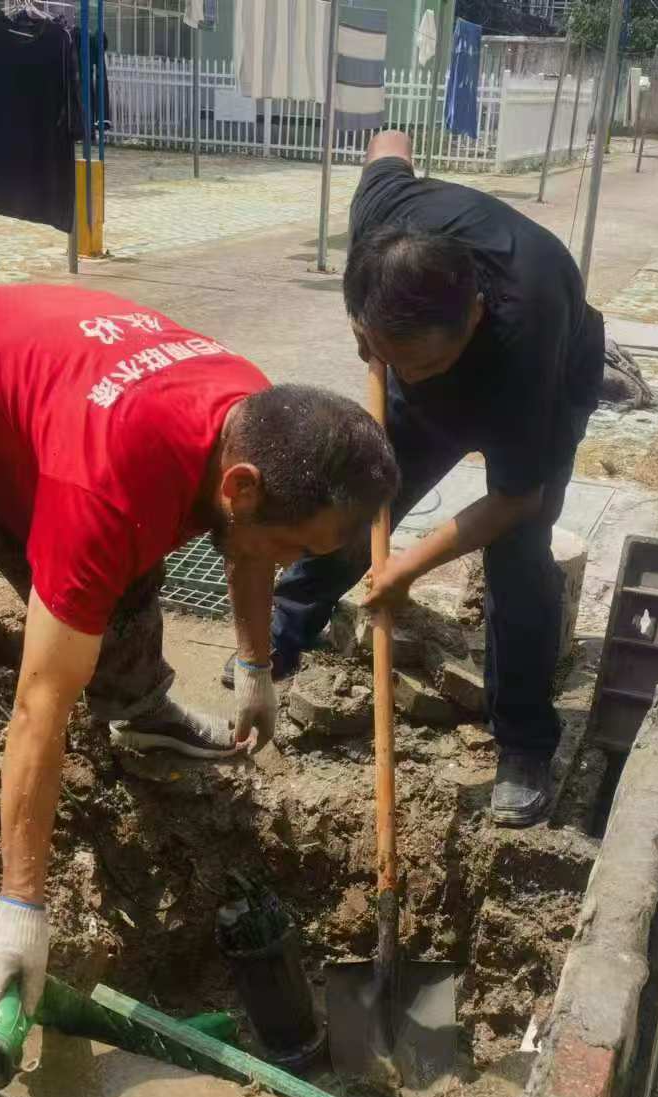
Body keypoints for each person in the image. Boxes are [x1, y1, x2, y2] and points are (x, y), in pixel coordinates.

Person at [0, 284, 399, 1069]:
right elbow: (38, 707)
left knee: (123, 561)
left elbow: (252, 542)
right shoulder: (108, 478)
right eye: (300, 547)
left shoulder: (253, 419)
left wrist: (255, 666)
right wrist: (23, 905)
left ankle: (138, 706)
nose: (295, 566)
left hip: (16, 417)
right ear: (243, 485)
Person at [230, 131, 605, 828]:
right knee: (353, 499)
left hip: (545, 380)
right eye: (383, 352)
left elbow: (515, 498)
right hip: (427, 353)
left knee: (519, 557)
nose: (403, 372)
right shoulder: (385, 215)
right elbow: (386, 143)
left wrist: (406, 567)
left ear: (472, 314)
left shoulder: (529, 323)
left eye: (421, 364)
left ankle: (523, 741)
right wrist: (379, 351)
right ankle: (278, 643)